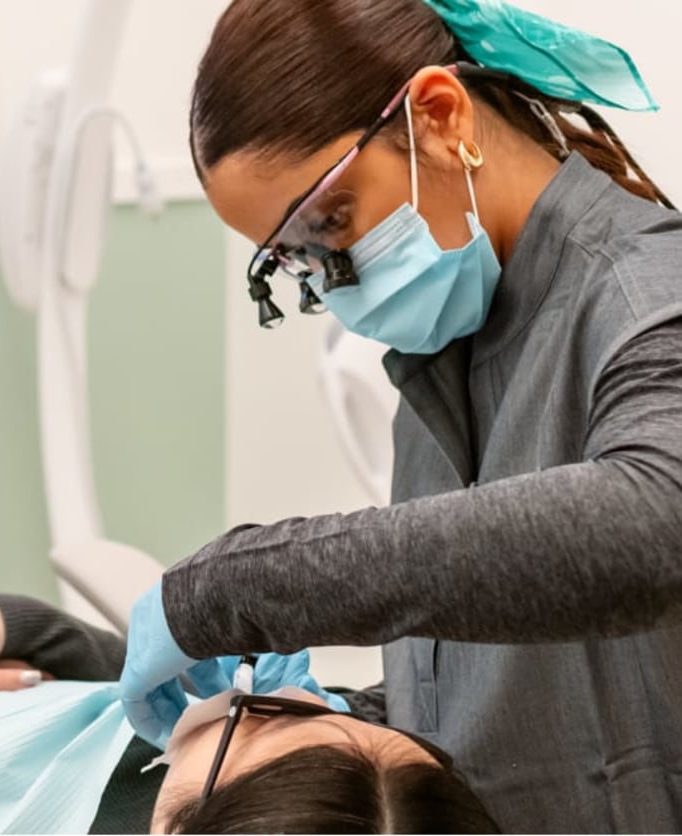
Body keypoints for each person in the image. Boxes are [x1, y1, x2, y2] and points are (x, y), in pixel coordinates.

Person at [118, 0, 682, 833]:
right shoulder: (441, 367)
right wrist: (326, 718)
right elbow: (497, 712)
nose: (332, 279)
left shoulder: (649, 289)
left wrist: (232, 588)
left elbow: (655, 526)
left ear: (440, 116)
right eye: (296, 262)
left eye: (329, 224)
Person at [0, 498, 499, 833]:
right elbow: (122, 704)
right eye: (338, 710)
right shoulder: (322, 798)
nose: (255, 696)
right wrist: (24, 629)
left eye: (261, 719)